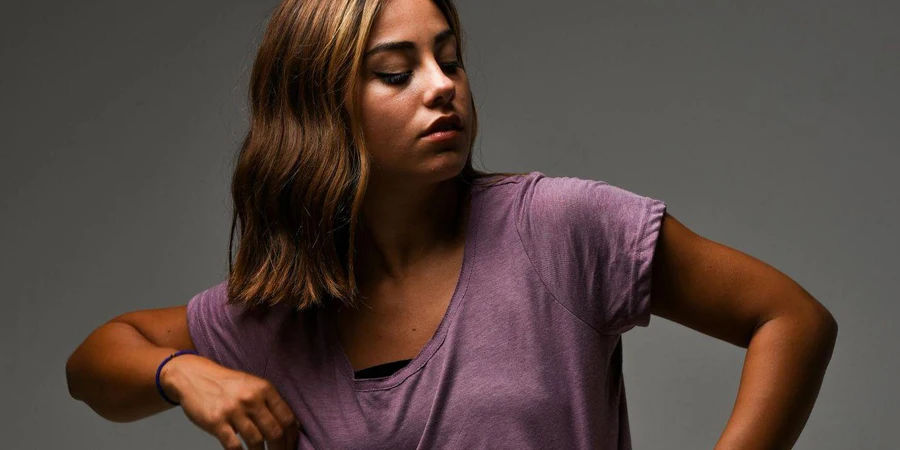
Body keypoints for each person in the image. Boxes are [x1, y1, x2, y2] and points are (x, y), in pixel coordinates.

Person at [66, 0, 839, 449]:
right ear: (319, 108)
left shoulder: (558, 229)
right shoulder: (277, 313)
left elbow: (791, 319)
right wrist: (181, 374)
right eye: (397, 73)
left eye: (451, 59)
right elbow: (96, 362)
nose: (442, 88)